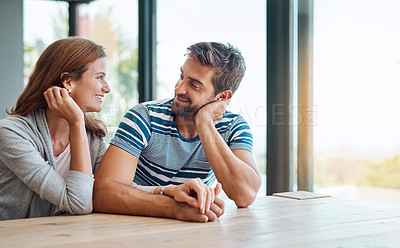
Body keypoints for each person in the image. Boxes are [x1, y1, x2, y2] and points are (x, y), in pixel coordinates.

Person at [93, 42, 261, 223]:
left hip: (188, 230)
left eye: (194, 85)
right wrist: (173, 207)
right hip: (127, 224)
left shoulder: (232, 126)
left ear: (222, 97)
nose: (179, 89)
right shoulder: (145, 117)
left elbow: (245, 195)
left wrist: (204, 122)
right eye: (182, 76)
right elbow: (103, 193)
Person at [0, 37, 111, 220]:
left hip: (65, 236)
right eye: (99, 77)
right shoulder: (11, 133)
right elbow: (79, 203)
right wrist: (76, 122)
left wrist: (164, 191)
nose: (107, 88)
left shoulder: (92, 137)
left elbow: (114, 186)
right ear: (68, 83)